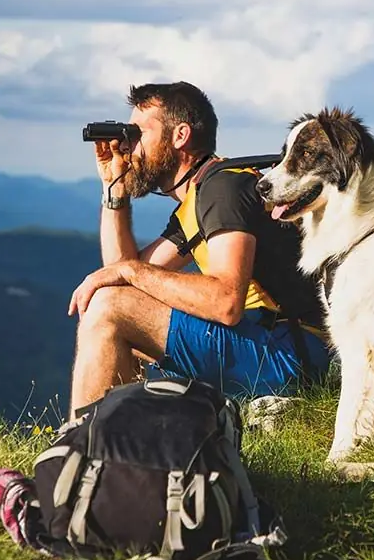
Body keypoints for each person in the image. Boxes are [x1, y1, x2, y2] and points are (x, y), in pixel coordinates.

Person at [66, 81, 331, 418]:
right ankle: (118, 446)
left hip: (294, 352)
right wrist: (113, 187)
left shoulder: (222, 190)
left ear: (180, 135)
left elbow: (226, 302)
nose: (130, 147)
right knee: (112, 302)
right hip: (277, 344)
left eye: (138, 134)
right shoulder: (199, 199)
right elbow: (119, 278)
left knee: (108, 308)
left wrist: (131, 271)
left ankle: (82, 447)